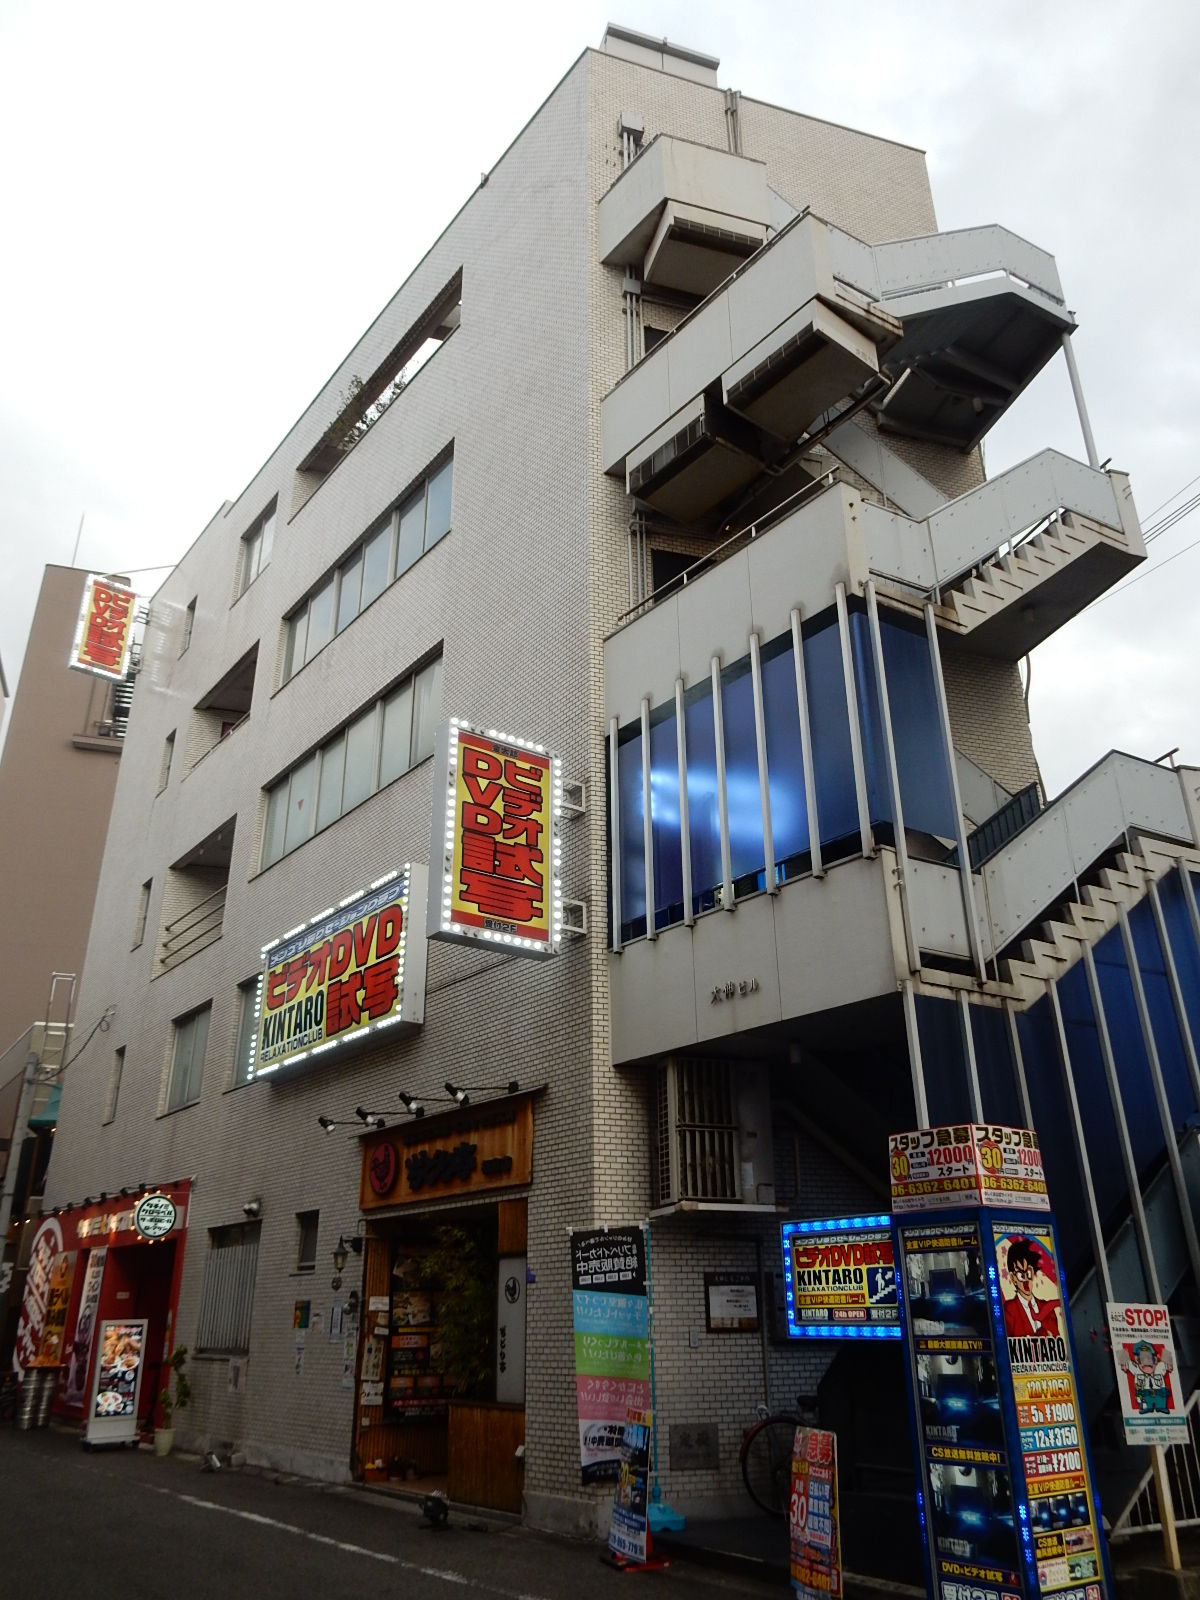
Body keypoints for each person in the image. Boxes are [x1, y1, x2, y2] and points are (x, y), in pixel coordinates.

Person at [1002, 1237, 1062, 1339]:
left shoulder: (1047, 1309)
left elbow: (1057, 1340)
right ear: (1013, 1278)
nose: (1026, 1280)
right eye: (1021, 1275)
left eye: (1028, 1273)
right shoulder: (1009, 1310)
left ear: (1033, 1272)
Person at [1120, 1339, 1173, 1415]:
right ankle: (1146, 1407)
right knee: (1144, 1401)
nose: (1147, 1361)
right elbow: (1121, 1352)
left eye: (1149, 1358)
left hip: (1159, 1393)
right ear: (1137, 1360)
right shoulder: (1136, 1369)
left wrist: (1169, 1364)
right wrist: (1123, 1365)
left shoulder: (1160, 1367)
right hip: (1145, 1394)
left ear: (1155, 1360)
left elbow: (1167, 1351)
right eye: (1143, 1359)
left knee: (1161, 1400)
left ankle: (1161, 1407)